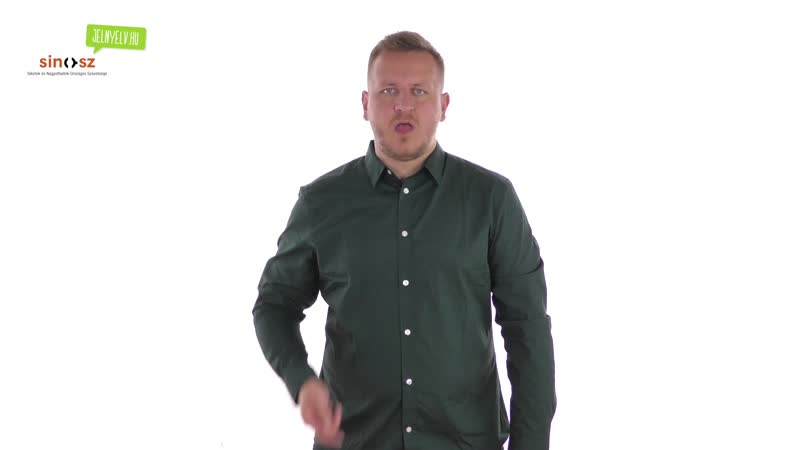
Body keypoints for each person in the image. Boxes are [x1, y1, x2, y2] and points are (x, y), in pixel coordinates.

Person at [252, 31, 556, 450]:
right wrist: (301, 381)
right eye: (389, 90)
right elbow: (274, 304)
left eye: (419, 91)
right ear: (365, 103)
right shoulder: (321, 203)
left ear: (443, 105)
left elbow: (528, 330)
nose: (404, 105)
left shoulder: (491, 199)